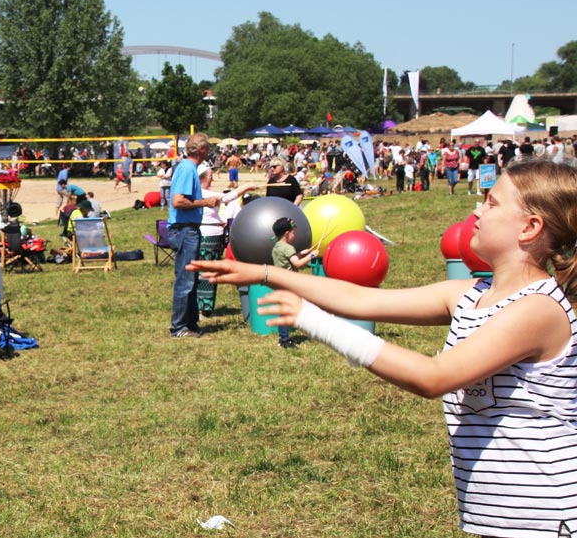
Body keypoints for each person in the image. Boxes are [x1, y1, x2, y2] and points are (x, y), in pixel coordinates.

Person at [190, 159, 577, 538]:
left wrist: (313, 320)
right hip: (500, 514)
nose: (477, 211)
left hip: (546, 514)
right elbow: (359, 300)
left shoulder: (538, 309)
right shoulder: (470, 295)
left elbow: (433, 377)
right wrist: (265, 273)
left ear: (530, 227)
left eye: (491, 203)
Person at [168, 132, 221, 338]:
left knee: (191, 278)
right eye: (207, 148)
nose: (208, 152)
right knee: (185, 280)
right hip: (184, 229)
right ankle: (179, 327)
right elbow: (178, 201)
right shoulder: (187, 169)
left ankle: (191, 323)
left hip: (189, 229)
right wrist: (205, 202)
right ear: (202, 150)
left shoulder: (188, 168)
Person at [196, 162, 257, 320]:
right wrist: (246, 187)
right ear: (203, 178)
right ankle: (203, 307)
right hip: (207, 236)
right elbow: (226, 198)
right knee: (206, 271)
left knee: (212, 271)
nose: (212, 180)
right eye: (210, 176)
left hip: (215, 235)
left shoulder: (204, 192)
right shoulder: (201, 193)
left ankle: (206, 306)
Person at [270, 217, 319, 348]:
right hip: (288, 284)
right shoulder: (288, 248)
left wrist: (303, 253)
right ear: (286, 234)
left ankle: (283, 338)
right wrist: (312, 256)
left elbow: (291, 257)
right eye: (293, 233)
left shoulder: (277, 246)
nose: (294, 236)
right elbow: (297, 263)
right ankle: (285, 340)